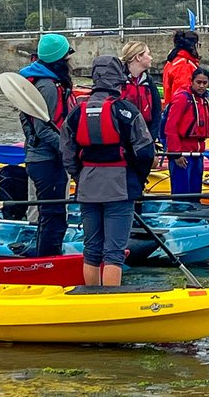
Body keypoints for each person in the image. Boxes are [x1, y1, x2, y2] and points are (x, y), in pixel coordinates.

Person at [60, 54, 155, 286]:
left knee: (91, 249)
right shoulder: (126, 111)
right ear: (118, 81)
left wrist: (79, 177)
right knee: (114, 252)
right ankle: (109, 300)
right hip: (119, 188)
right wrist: (138, 180)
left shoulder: (76, 113)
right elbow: (145, 151)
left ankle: (91, 297)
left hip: (88, 188)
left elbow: (67, 152)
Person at [17, 32, 75, 256]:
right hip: (46, 160)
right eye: (67, 57)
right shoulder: (47, 86)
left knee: (53, 215)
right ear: (60, 60)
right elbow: (43, 129)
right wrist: (69, 150)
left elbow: (30, 122)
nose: (70, 61)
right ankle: (48, 260)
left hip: (43, 159)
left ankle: (49, 256)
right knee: (53, 216)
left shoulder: (43, 82)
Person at [165, 67, 209, 201]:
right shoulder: (182, 99)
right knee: (182, 195)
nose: (202, 86)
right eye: (199, 82)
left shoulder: (204, 100)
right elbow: (170, 127)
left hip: (198, 154)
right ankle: (180, 216)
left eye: (205, 83)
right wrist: (176, 153)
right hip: (183, 154)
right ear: (192, 82)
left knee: (195, 194)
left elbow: (208, 123)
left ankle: (194, 215)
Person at [111, 41, 161, 134]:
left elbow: (156, 111)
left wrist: (152, 137)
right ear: (138, 57)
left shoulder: (148, 81)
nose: (151, 58)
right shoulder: (118, 80)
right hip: (122, 136)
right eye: (148, 54)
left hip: (145, 135)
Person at [160, 30, 201, 140]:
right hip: (183, 116)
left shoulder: (173, 61)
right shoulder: (184, 65)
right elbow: (182, 94)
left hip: (172, 110)